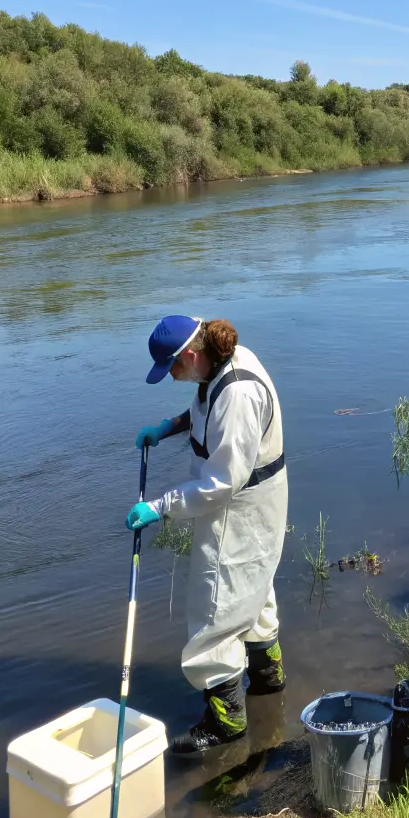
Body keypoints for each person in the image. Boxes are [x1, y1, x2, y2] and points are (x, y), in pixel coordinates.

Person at [127, 315, 288, 755]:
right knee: (254, 588)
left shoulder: (238, 391)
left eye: (173, 369)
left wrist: (158, 507)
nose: (172, 378)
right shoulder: (223, 362)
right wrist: (170, 427)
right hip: (259, 502)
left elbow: (220, 484)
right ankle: (268, 677)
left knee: (214, 606)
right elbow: (204, 407)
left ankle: (226, 721)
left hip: (238, 510)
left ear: (191, 355)